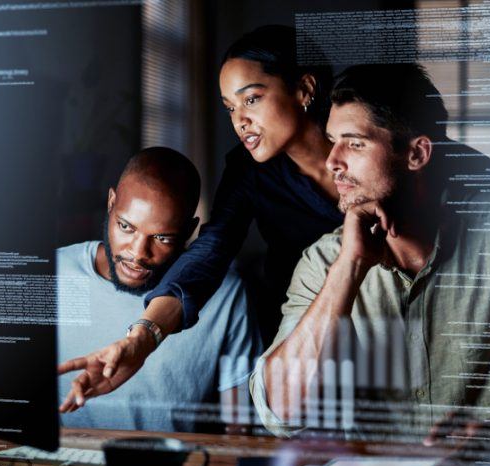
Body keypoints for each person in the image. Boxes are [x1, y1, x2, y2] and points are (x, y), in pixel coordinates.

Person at [249, 64, 490, 442]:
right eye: (332, 140)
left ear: (417, 154)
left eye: (355, 143)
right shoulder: (325, 262)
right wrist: (350, 267)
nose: (332, 161)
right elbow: (281, 414)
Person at [59, 25, 342, 406]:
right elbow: (212, 249)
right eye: (230, 108)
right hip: (307, 330)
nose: (240, 120)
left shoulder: (374, 147)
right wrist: (141, 340)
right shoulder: (249, 171)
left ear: (305, 89)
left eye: (252, 99)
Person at [57, 147, 262, 432]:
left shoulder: (226, 294)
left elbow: (239, 428)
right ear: (111, 202)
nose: (138, 253)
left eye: (162, 237)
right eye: (126, 226)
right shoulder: (54, 273)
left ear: (190, 231)